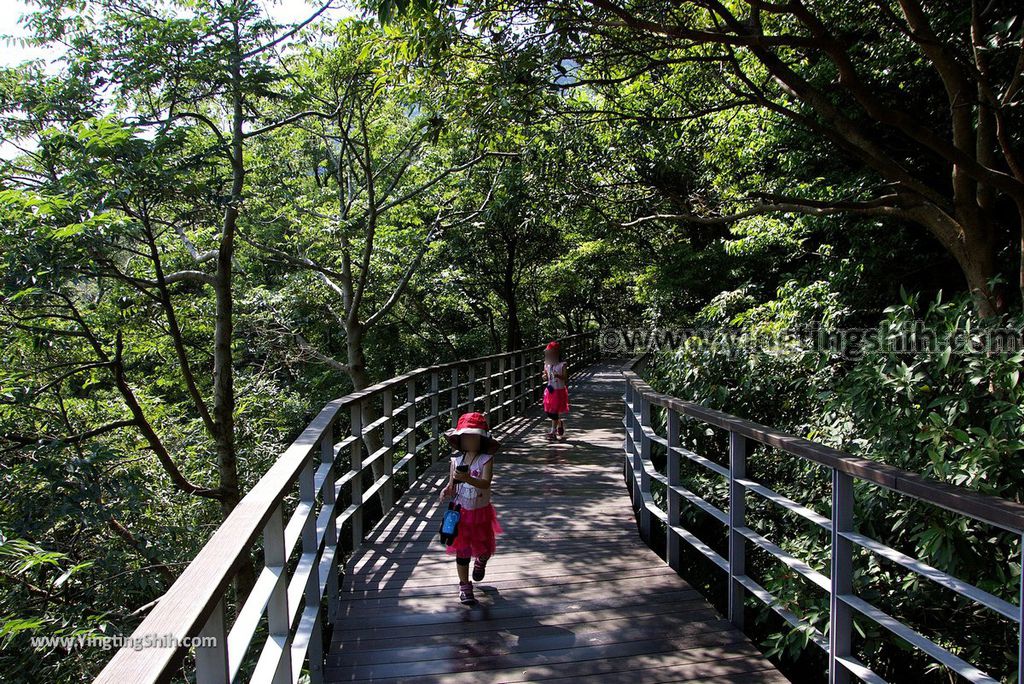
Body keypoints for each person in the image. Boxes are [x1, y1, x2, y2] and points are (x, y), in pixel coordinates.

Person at [439, 412, 502, 605]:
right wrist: (447, 490)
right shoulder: (456, 461)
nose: (469, 440)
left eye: (473, 437)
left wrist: (468, 479)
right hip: (461, 513)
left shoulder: (486, 459)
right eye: (466, 437)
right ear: (459, 439)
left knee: (484, 546)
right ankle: (465, 585)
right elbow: (453, 485)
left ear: (482, 439)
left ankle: (481, 560)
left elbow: (485, 483)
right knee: (462, 550)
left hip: (481, 512)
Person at [542, 340, 569, 439]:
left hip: (559, 390)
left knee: (554, 411)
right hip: (550, 390)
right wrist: (544, 376)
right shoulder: (547, 364)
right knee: (549, 411)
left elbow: (566, 377)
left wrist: (558, 375)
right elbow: (545, 374)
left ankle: (553, 432)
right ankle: (559, 423)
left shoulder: (562, 364)